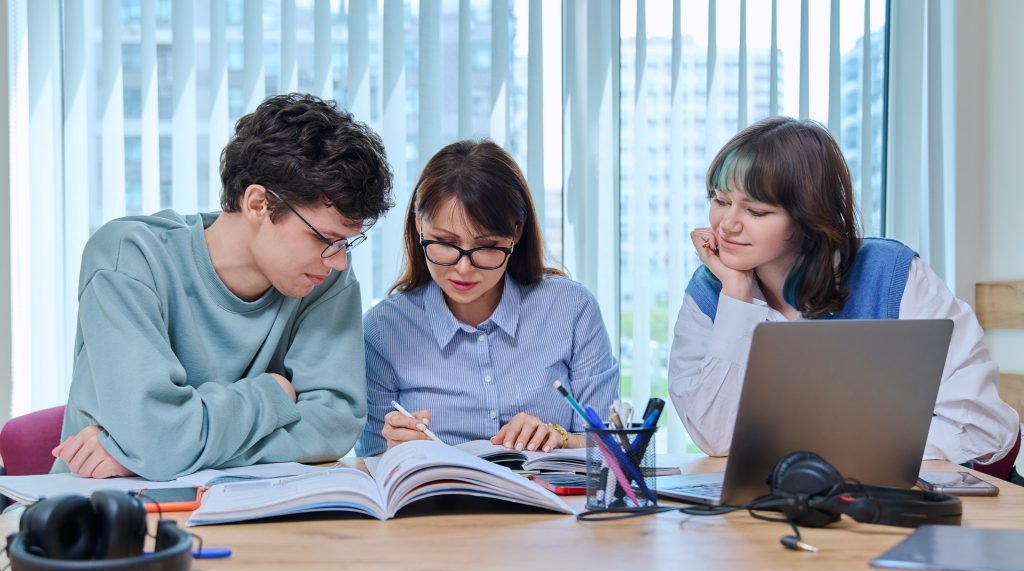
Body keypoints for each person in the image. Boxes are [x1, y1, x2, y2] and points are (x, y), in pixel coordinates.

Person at [52, 93, 394, 480]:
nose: (339, 260)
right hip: (102, 512)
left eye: (346, 243)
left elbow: (332, 427)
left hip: (250, 513)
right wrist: (272, 394)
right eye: (324, 238)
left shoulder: (326, 278)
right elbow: (156, 436)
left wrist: (158, 451)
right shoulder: (129, 257)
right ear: (258, 203)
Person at [669, 116, 1020, 468]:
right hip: (784, 501)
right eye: (720, 200)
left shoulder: (890, 274)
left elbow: (982, 428)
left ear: (806, 216)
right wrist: (736, 295)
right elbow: (715, 439)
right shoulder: (711, 290)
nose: (727, 225)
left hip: (896, 498)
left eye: (756, 210)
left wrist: (821, 455)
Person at [356, 140, 618, 456]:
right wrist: (396, 445)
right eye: (445, 243)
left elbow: (613, 445)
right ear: (418, 225)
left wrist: (557, 437)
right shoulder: (384, 329)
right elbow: (373, 459)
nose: (463, 268)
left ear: (517, 232)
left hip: (551, 504)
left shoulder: (572, 309)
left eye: (487, 246)